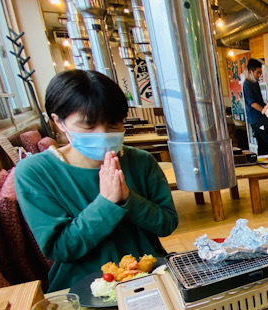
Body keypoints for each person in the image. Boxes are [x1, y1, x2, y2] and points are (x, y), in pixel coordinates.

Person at [14, 70, 178, 292]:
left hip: (151, 279)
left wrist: (129, 198)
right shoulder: (35, 172)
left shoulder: (141, 161)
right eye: (88, 126)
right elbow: (61, 248)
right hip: (81, 288)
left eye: (113, 125)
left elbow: (167, 224)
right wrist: (107, 202)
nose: (102, 134)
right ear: (58, 122)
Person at [241, 58, 268, 155]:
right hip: (255, 119)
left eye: (260, 73)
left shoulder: (255, 83)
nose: (259, 75)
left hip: (260, 117)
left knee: (265, 143)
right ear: (250, 72)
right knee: (262, 143)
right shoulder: (247, 85)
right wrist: (265, 110)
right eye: (258, 73)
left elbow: (260, 101)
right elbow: (253, 103)